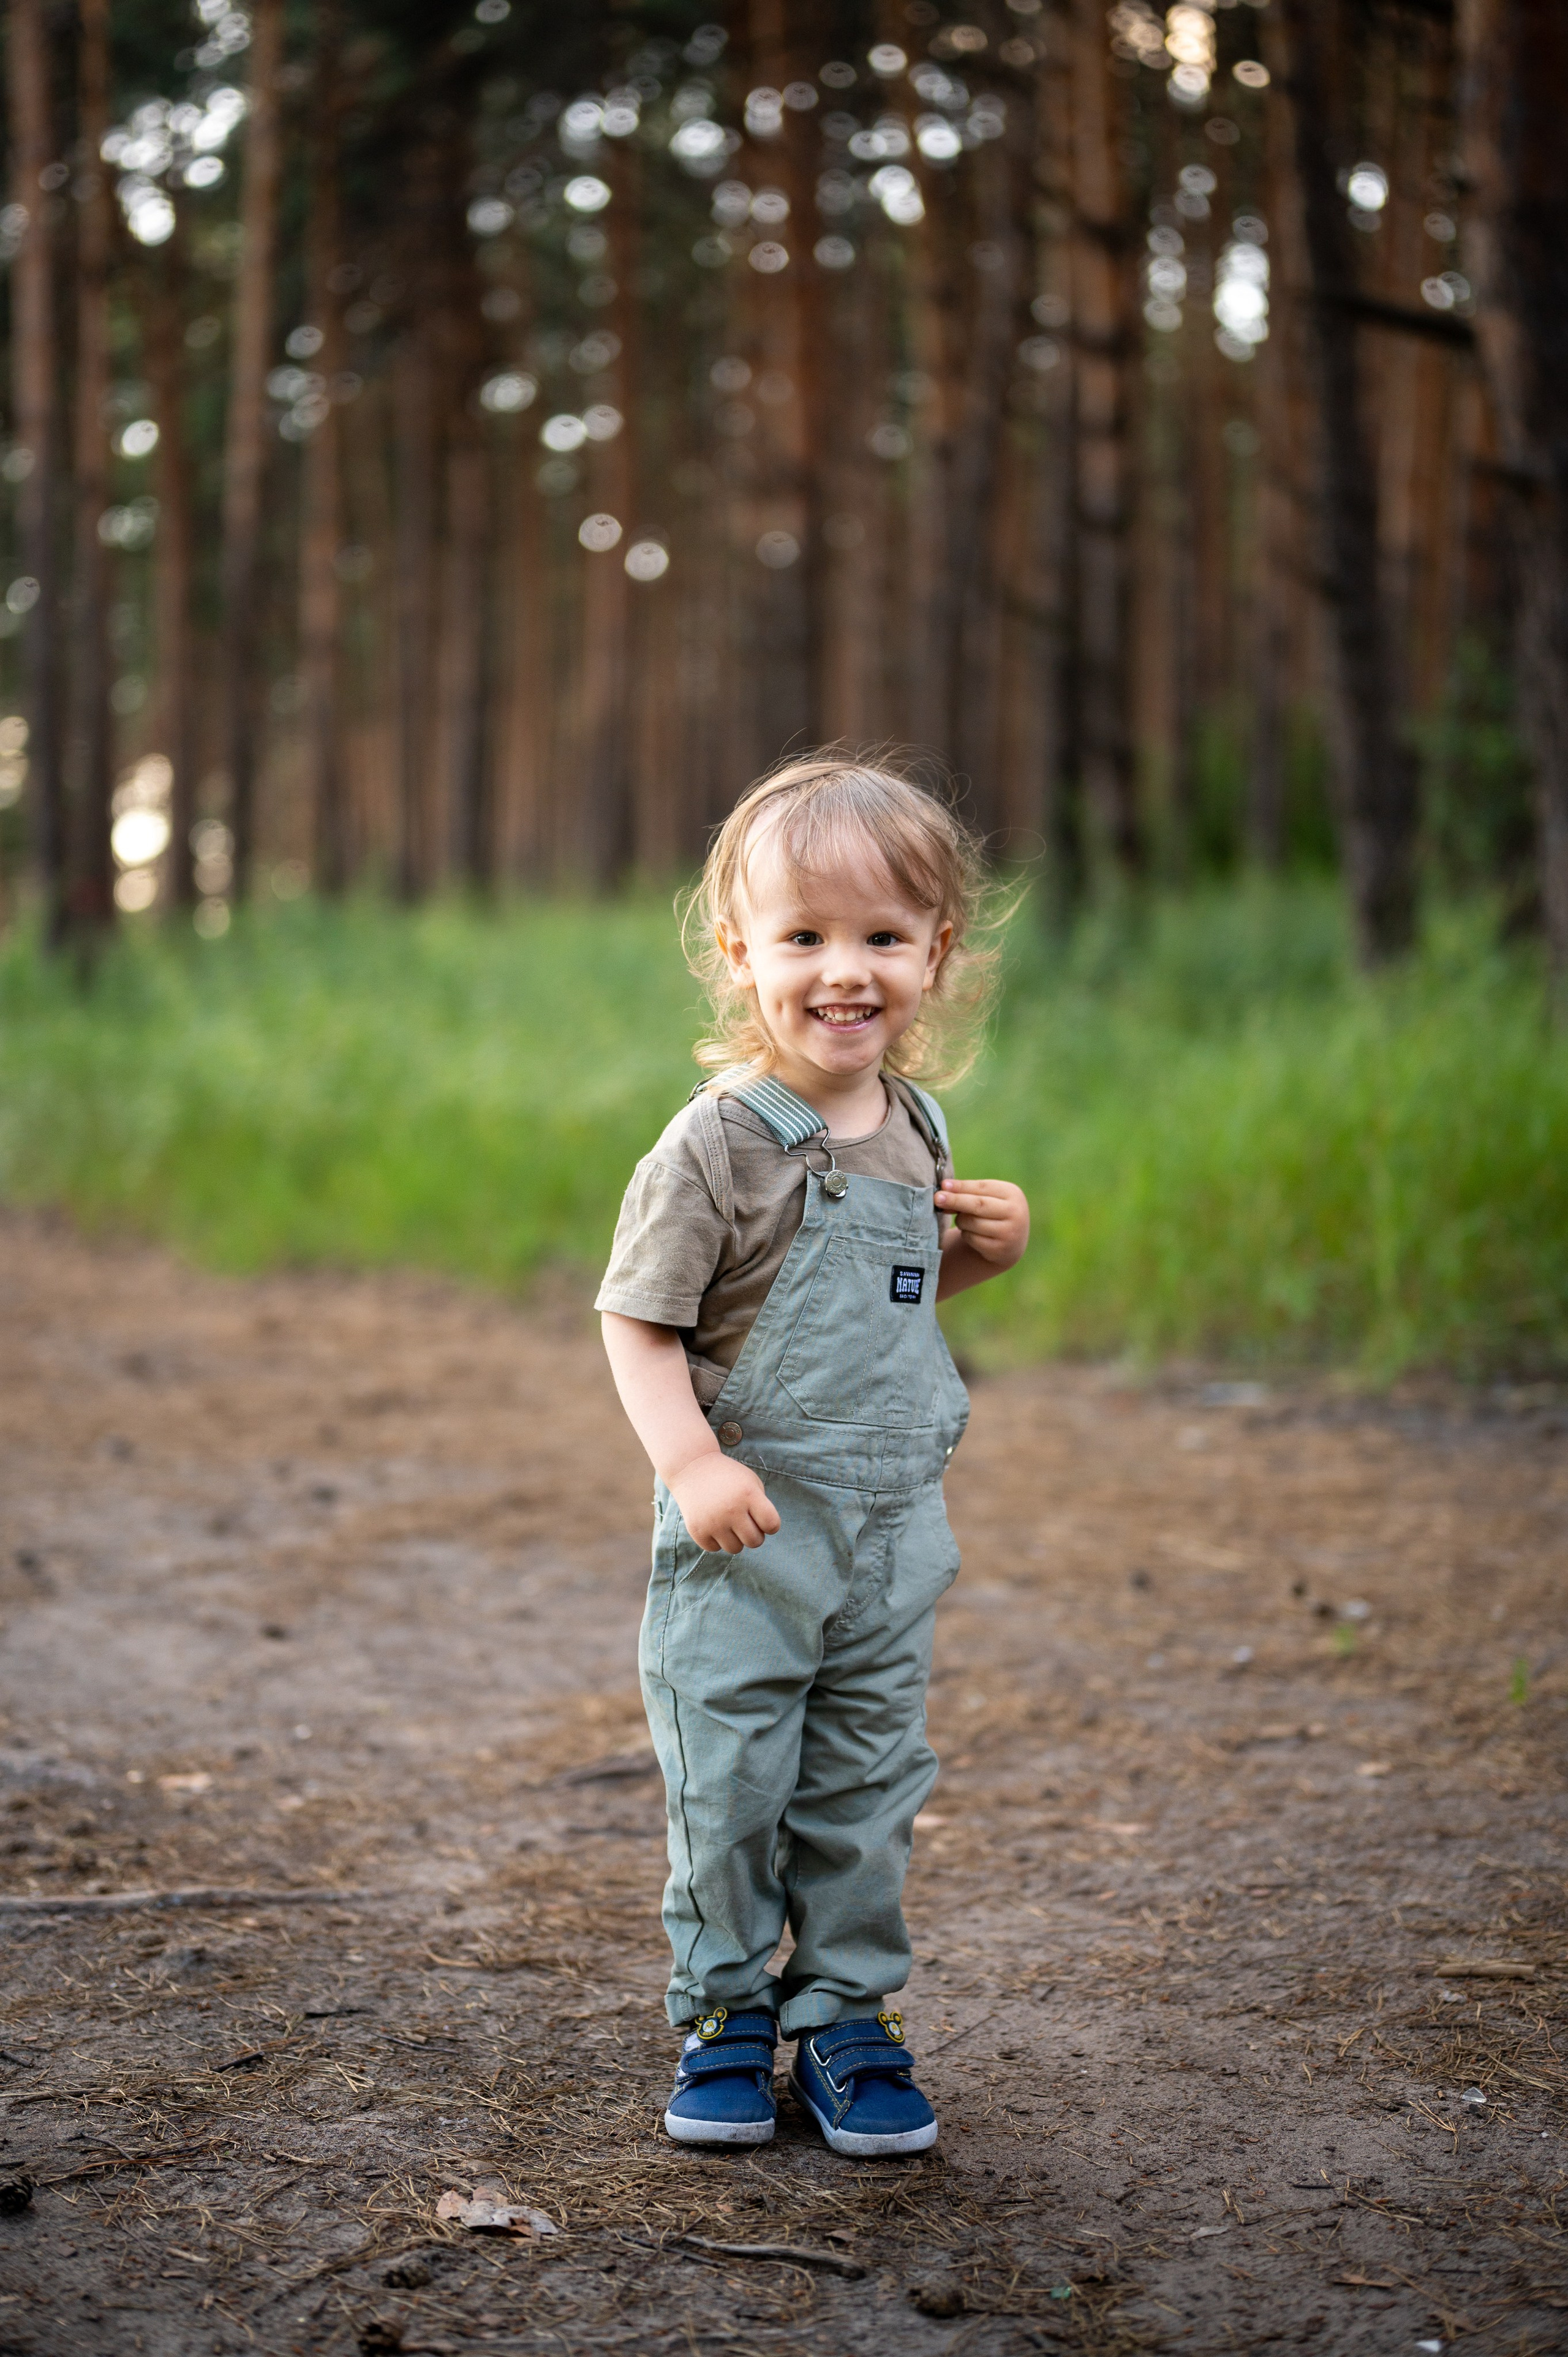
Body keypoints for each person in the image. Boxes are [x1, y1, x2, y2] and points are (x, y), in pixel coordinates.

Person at [597, 752, 1030, 2156]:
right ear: (740, 952)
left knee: (861, 1783)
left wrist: (980, 1260)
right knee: (730, 1781)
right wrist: (690, 1465)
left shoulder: (915, 1129)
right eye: (803, 937)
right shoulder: (713, 1148)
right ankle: (724, 2005)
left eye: (880, 938)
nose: (843, 972)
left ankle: (843, 2011)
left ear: (935, 955)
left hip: (891, 1535)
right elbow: (638, 1323)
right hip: (748, 1538)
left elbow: (886, 1314)